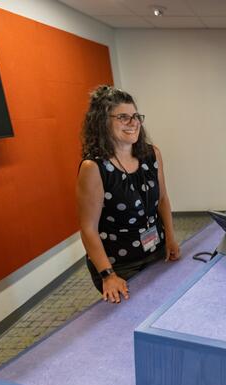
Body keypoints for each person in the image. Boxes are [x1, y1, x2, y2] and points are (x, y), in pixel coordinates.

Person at [77, 85, 181, 304]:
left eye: (135, 116)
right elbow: (88, 229)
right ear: (102, 122)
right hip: (119, 264)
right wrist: (108, 275)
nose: (133, 123)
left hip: (156, 250)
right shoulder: (94, 167)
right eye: (123, 117)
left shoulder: (152, 154)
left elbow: (162, 199)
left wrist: (170, 237)